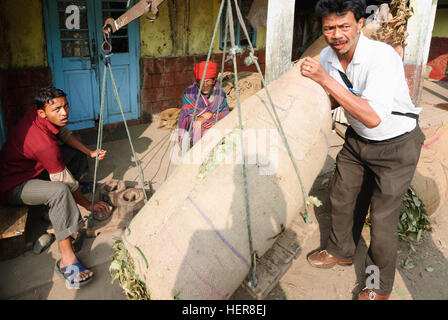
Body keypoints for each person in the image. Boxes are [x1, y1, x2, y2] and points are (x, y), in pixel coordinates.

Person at [301, 0, 425, 300]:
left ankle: (375, 285)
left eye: (344, 26)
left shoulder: (380, 58)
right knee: (341, 197)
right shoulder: (328, 56)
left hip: (396, 145)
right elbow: (334, 98)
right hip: (358, 141)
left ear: (359, 23)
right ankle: (340, 250)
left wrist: (325, 80)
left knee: (382, 222)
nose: (337, 34)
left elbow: (372, 116)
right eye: (329, 28)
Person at [0, 86, 110, 288]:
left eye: (66, 106)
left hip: (32, 170)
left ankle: (54, 211)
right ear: (43, 113)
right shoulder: (43, 143)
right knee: (60, 191)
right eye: (57, 109)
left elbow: (65, 134)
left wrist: (90, 152)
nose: (64, 112)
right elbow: (64, 180)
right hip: (12, 185)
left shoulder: (41, 115)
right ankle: (66, 259)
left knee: (75, 152)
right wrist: (87, 204)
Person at [178, 61, 230, 148]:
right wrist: (201, 116)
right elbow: (185, 113)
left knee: (218, 130)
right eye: (201, 81)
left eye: (208, 81)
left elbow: (225, 112)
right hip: (196, 120)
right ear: (197, 82)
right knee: (198, 126)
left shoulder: (220, 94)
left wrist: (212, 116)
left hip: (214, 119)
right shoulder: (189, 93)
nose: (205, 85)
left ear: (214, 81)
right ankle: (197, 148)